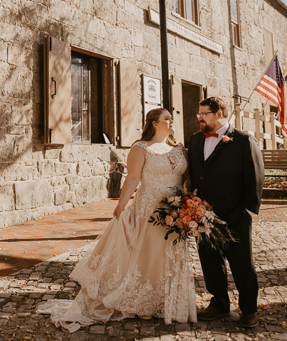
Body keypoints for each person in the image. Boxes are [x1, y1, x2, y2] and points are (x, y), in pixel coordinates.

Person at [39, 108, 197, 331]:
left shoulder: (179, 147)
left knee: (170, 252)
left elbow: (186, 177)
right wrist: (121, 205)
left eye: (172, 118)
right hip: (149, 208)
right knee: (148, 253)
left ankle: (167, 301)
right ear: (154, 123)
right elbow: (132, 178)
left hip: (176, 208)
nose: (172, 122)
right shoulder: (140, 148)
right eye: (167, 119)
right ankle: (143, 304)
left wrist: (190, 203)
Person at [188, 96, 264, 328]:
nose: (199, 117)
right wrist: (194, 204)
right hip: (203, 213)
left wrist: (250, 210)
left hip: (235, 213)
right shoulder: (195, 139)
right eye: (199, 113)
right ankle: (219, 303)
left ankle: (249, 309)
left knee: (242, 264)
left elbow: (256, 175)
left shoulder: (243, 140)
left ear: (219, 114)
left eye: (204, 114)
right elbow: (194, 173)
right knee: (210, 261)